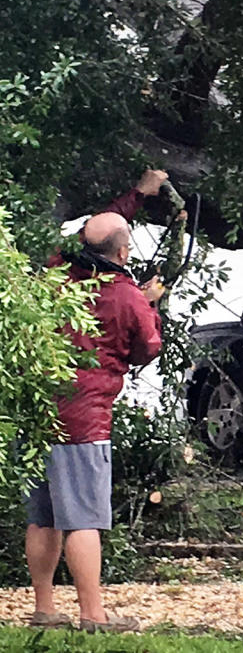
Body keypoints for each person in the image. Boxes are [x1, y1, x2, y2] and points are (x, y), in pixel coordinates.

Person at [24, 169, 169, 633]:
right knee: (83, 519)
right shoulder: (126, 296)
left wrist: (135, 197)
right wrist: (151, 305)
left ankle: (45, 609)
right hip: (85, 418)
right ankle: (93, 616)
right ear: (125, 254)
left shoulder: (57, 270)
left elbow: (99, 232)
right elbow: (147, 348)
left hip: (40, 409)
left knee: (43, 517)